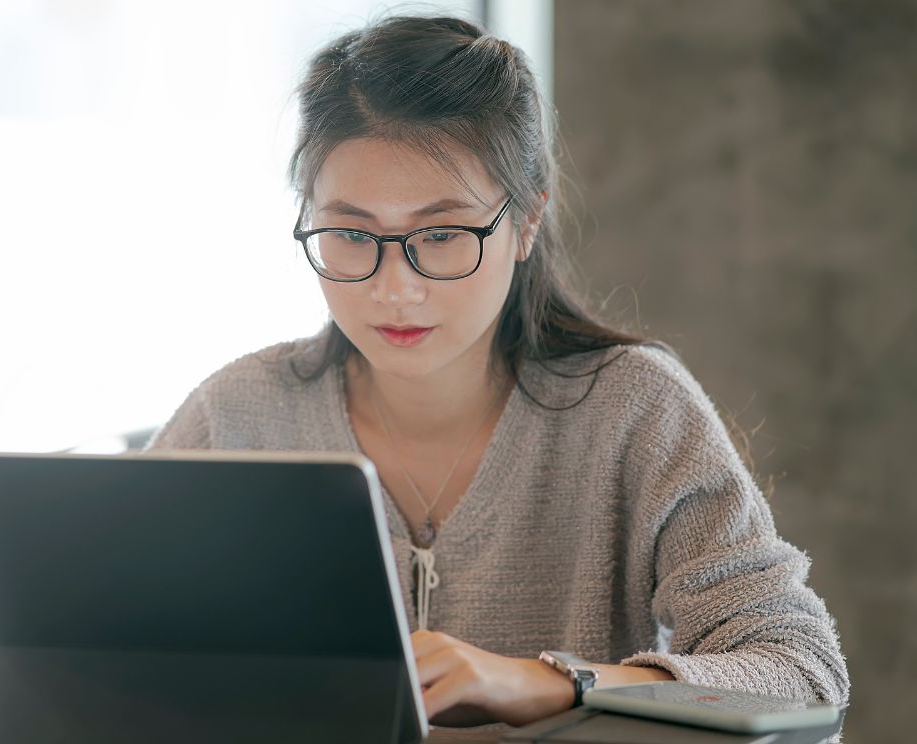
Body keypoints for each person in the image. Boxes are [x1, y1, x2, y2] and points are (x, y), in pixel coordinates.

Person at [143, 14, 849, 729]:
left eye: (442, 234)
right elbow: (108, 649)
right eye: (352, 233)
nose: (395, 288)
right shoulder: (235, 415)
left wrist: (556, 683)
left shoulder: (634, 410)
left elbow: (804, 673)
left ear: (527, 223)